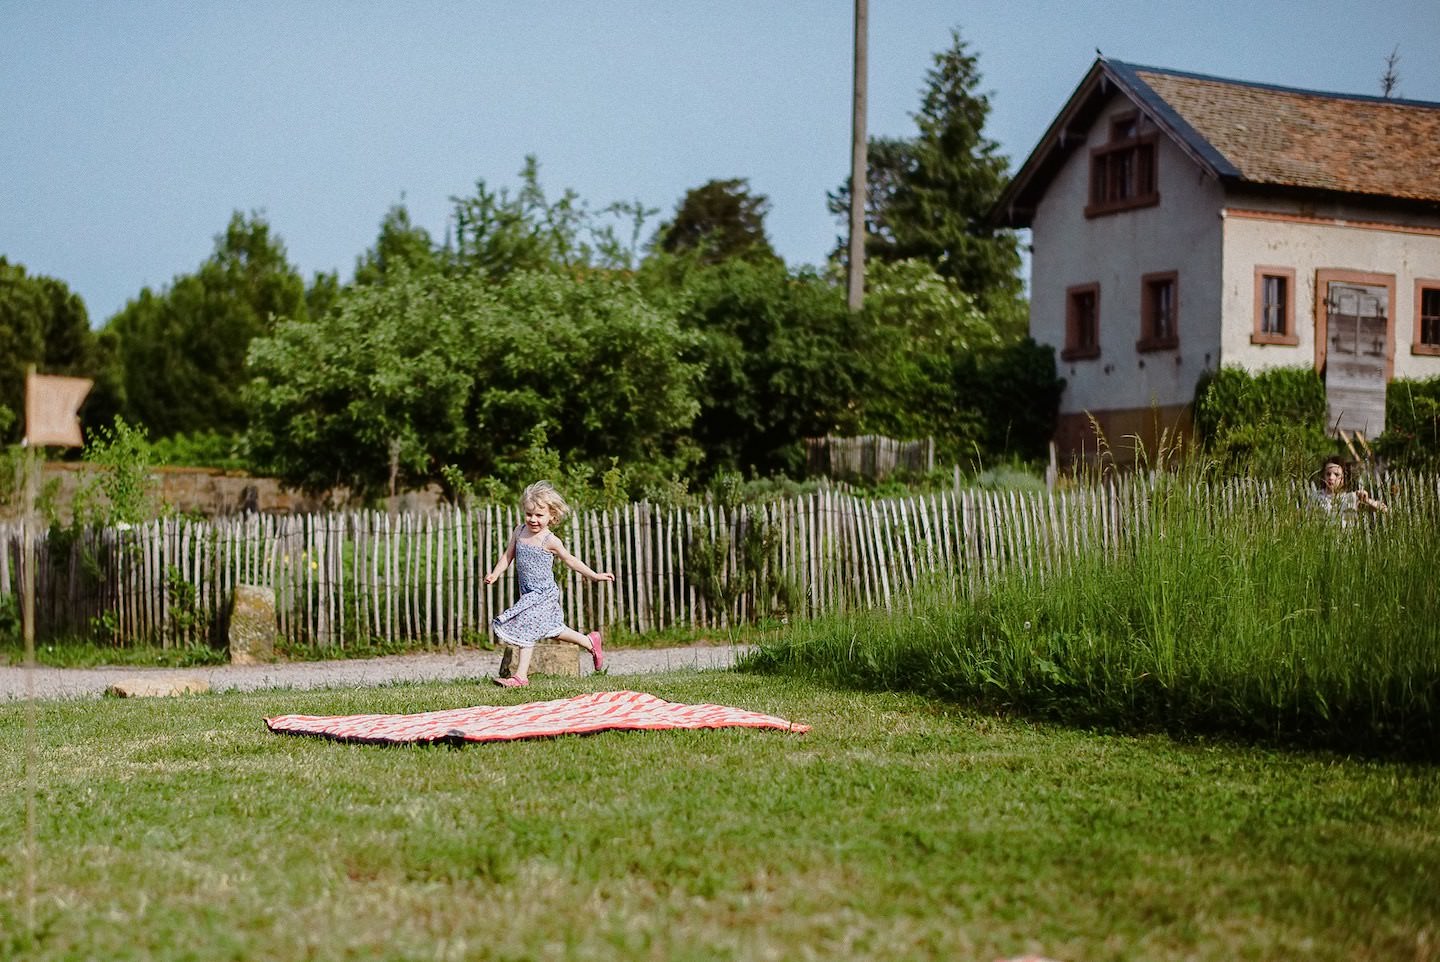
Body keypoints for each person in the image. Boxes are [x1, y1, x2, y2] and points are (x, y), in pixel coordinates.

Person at [484, 481, 613, 687]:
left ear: (552, 516)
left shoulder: (549, 540)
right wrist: (495, 574)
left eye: (539, 515)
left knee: (526, 629)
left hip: (544, 594)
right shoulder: (519, 532)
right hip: (528, 593)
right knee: (554, 630)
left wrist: (595, 575)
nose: (533, 519)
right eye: (529, 514)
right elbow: (507, 557)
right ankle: (590, 642)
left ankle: (520, 677)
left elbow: (571, 560)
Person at [1310, 456, 1388, 522]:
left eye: (1336, 474)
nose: (1331, 477)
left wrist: (1367, 500)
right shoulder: (1315, 496)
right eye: (1328, 474)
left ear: (1344, 478)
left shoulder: (1350, 498)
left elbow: (1383, 509)